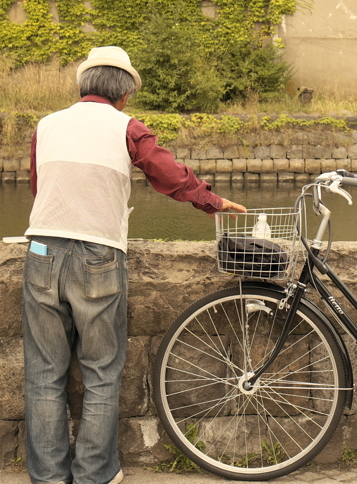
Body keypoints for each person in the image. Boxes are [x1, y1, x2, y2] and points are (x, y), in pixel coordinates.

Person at [23, 46, 246, 484]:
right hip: (99, 253)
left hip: (42, 251)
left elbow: (38, 185)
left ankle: (48, 476)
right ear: (123, 94)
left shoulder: (46, 125)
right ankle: (94, 473)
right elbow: (166, 174)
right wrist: (211, 200)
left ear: (83, 86)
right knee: (101, 371)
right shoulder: (127, 127)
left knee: (44, 372)